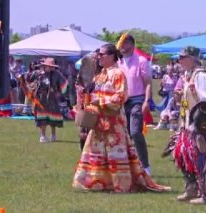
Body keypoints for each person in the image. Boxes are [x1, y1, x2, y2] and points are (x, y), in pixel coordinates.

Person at [72, 44, 170, 193]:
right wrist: (85, 100)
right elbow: (93, 93)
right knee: (97, 151)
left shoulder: (118, 73)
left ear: (111, 56)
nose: (99, 57)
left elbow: (122, 96)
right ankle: (99, 182)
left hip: (114, 121)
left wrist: (101, 101)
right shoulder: (100, 75)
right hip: (99, 120)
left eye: (102, 54)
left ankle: (121, 185)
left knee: (115, 153)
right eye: (99, 54)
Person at [174, 46, 206, 205]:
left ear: (192, 58)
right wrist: (181, 99)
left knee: (202, 157)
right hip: (187, 123)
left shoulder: (201, 76)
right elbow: (188, 101)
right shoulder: (188, 75)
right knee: (184, 155)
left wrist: (195, 94)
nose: (179, 60)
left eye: (182, 57)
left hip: (200, 123)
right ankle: (191, 188)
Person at [117, 34, 152, 175]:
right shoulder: (117, 62)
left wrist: (146, 101)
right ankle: (129, 165)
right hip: (121, 101)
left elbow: (148, 83)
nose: (123, 46)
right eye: (121, 43)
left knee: (136, 132)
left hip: (137, 99)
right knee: (125, 134)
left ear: (132, 44)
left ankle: (145, 166)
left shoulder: (141, 61)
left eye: (126, 43)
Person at [26, 58, 68, 143]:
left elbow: (65, 83)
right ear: (44, 66)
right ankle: (43, 136)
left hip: (52, 99)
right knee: (42, 118)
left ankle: (53, 135)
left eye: (51, 66)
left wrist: (59, 92)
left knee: (53, 118)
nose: (50, 68)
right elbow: (28, 79)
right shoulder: (38, 73)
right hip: (41, 98)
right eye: (48, 66)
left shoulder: (57, 74)